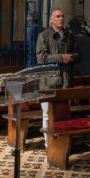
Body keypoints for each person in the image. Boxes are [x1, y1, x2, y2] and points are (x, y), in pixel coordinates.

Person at [35, 8, 81, 145]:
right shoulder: (43, 36)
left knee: (63, 113)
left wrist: (71, 57)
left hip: (66, 78)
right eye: (57, 16)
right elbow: (41, 58)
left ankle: (62, 142)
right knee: (47, 113)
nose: (61, 19)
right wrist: (61, 58)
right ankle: (48, 143)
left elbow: (79, 55)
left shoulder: (69, 36)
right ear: (51, 19)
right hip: (49, 81)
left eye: (62, 16)